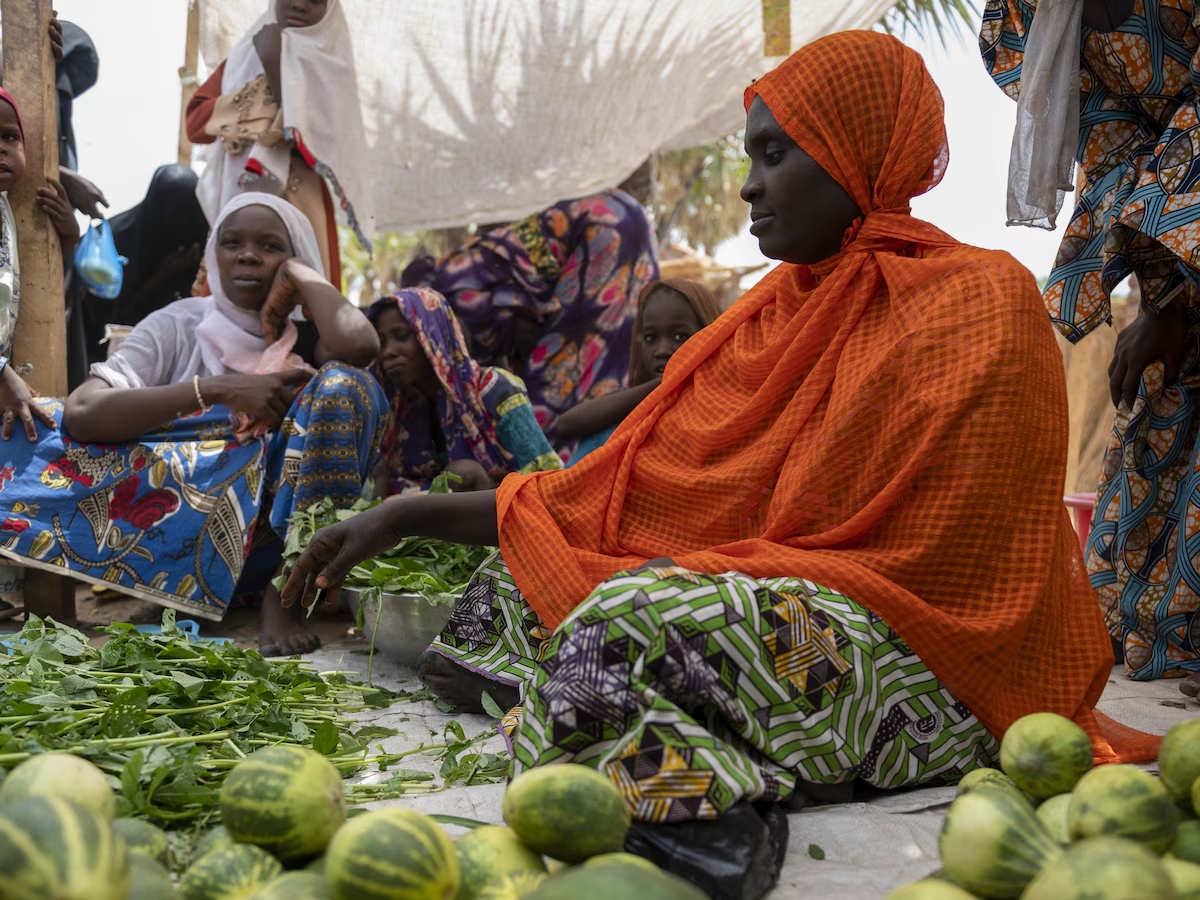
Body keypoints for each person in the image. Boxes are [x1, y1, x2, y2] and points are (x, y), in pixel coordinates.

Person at [283, 31, 1158, 859]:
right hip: (779, 601)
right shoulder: (763, 321)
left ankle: (701, 796)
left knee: (623, 628)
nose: (748, 184)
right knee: (515, 585)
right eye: (750, 156)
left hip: (925, 654)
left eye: (775, 155)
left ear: (858, 150)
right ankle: (653, 722)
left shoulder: (973, 298)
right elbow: (606, 494)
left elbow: (967, 563)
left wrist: (732, 582)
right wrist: (404, 514)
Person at [0, 193, 383, 656]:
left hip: (272, 556)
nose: (247, 255)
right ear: (211, 254)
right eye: (232, 242)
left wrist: (300, 276)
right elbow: (83, 414)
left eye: (270, 246)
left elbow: (362, 347)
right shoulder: (179, 324)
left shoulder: (310, 335)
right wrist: (219, 390)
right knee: (36, 423)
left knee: (348, 383)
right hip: (171, 545)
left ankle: (287, 592)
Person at [980, 0, 1200, 684]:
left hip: (1185, 248)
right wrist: (1165, 298)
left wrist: (1173, 305)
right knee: (1162, 425)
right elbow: (1111, 147)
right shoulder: (1021, 19)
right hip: (1182, 257)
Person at [401, 189, 659, 458]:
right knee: (608, 355)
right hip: (617, 218)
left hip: (605, 229)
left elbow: (522, 327)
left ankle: (558, 470)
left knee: (558, 386)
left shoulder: (457, 294)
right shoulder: (457, 278)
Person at [187, 0, 372, 286]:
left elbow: (325, 140)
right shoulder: (243, 56)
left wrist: (274, 69)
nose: (299, 5)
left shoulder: (331, 66)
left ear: (329, 10)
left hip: (301, 202)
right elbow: (196, 123)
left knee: (304, 301)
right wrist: (256, 98)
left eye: (315, 0)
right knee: (231, 306)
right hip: (238, 199)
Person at [367, 287, 562, 497]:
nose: (388, 352)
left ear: (433, 336)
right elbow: (394, 484)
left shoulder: (495, 389)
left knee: (463, 474)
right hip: (431, 521)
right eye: (381, 341)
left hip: (505, 515)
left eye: (402, 336)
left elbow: (547, 479)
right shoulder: (400, 410)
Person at [556, 278, 722, 465]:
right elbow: (567, 425)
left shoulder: (726, 412)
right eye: (651, 338)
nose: (662, 350)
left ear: (710, 336)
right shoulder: (630, 416)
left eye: (680, 336)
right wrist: (659, 386)